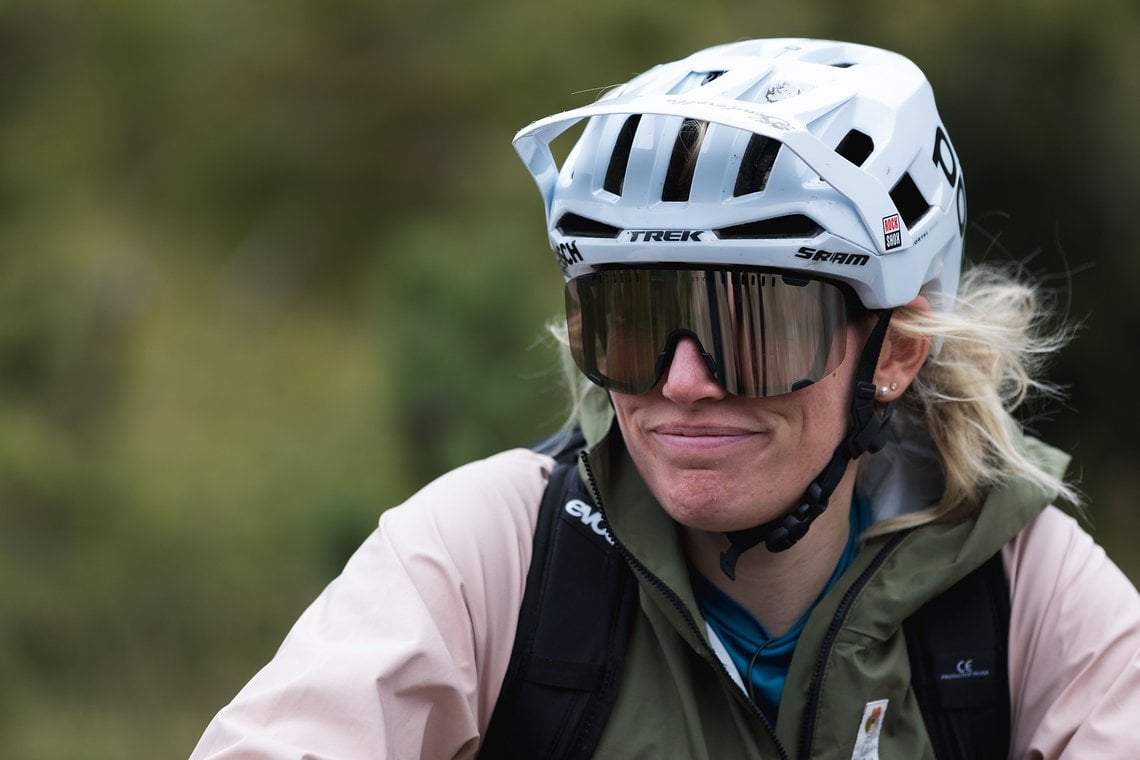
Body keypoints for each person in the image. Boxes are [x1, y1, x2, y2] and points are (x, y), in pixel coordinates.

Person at [189, 38, 1140, 759]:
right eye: (636, 325)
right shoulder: (489, 554)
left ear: (896, 349)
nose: (684, 382)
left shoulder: (1021, 589)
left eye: (754, 325)